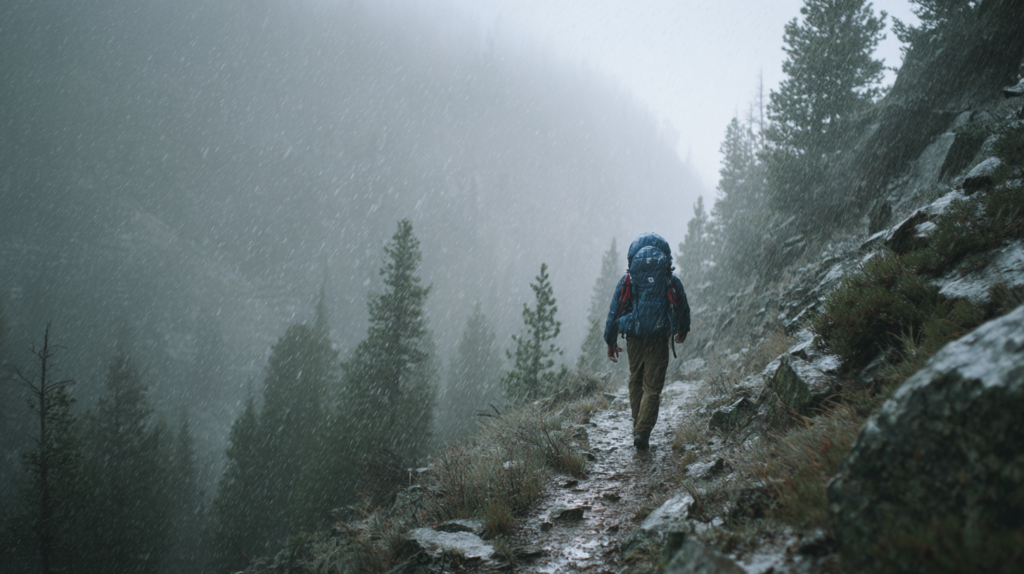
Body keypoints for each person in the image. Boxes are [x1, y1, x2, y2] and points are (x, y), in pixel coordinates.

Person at [604, 232, 690, 450]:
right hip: (659, 336)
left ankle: (638, 424)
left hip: (635, 336)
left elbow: (615, 310)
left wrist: (610, 340)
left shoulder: (629, 279)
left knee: (636, 378)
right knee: (652, 386)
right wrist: (682, 329)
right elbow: (682, 305)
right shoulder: (669, 279)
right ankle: (642, 432)